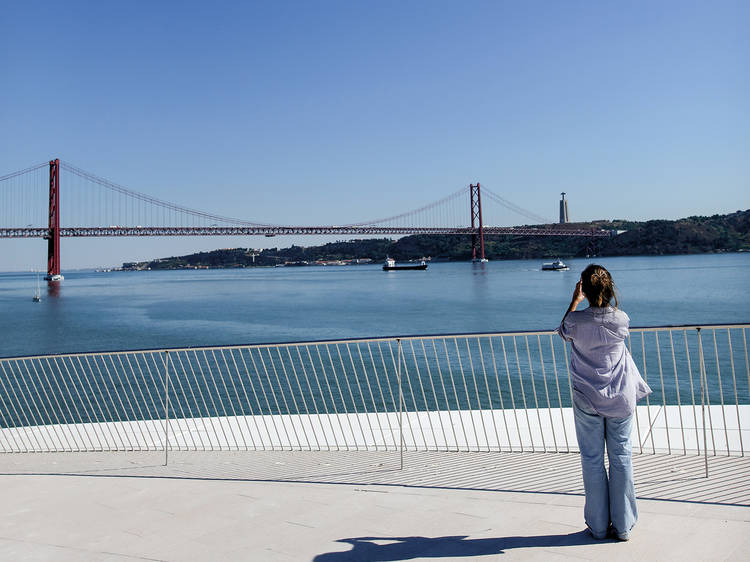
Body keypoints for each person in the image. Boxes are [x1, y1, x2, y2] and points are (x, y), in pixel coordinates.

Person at [557, 264, 651, 541]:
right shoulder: (621, 319)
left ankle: (598, 527)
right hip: (620, 395)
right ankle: (622, 527)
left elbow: (563, 330)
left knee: (592, 459)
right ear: (609, 288)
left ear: (584, 288)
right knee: (621, 458)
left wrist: (575, 301)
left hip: (587, 396)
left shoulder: (576, 322)